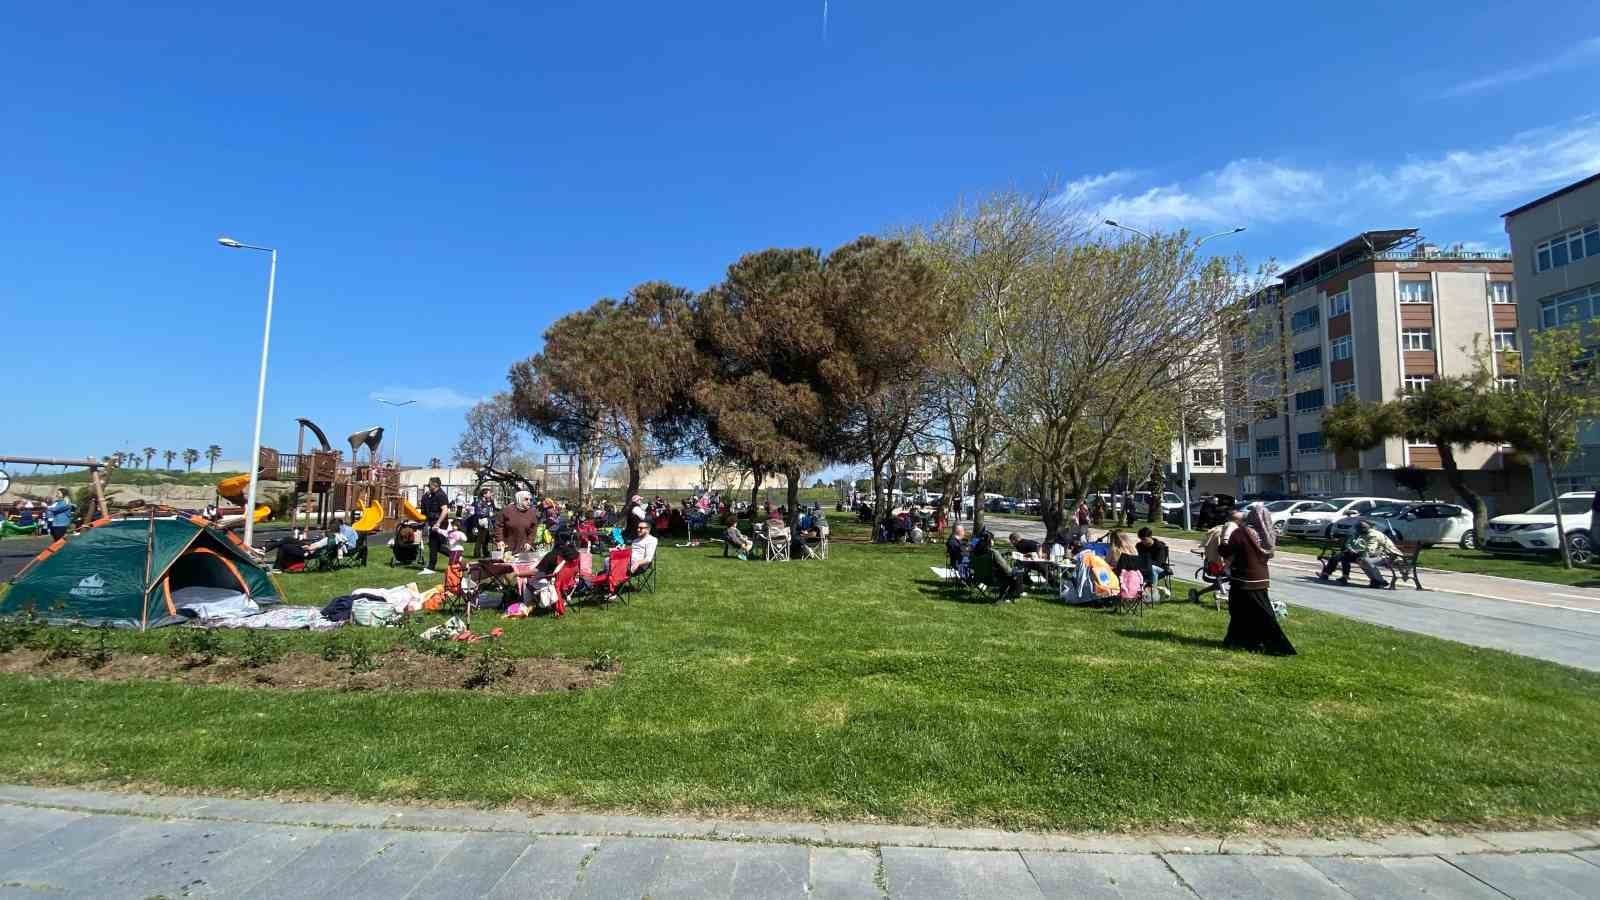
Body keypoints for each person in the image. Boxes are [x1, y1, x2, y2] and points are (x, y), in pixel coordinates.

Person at [1218, 502, 1295, 655]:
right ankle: (1239, 641)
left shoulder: (1241, 533)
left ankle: (1277, 645)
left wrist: (1222, 542)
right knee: (1253, 612)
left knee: (1243, 612)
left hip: (1243, 578)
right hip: (1261, 577)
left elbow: (1227, 551)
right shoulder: (1267, 534)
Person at [1318, 520, 1396, 588]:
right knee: (1338, 557)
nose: (1357, 531)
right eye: (1357, 529)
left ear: (1365, 528)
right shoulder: (1359, 533)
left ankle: (1378, 581)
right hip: (1358, 553)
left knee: (1363, 561)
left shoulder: (1373, 535)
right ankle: (1328, 574)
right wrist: (1350, 548)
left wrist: (1357, 551)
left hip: (1381, 555)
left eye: (1359, 529)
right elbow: (1350, 542)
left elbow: (1370, 549)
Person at [418, 477, 450, 575]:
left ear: (435, 485)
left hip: (439, 523)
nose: (428, 486)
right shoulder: (432, 495)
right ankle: (456, 556)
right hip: (433, 522)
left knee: (433, 545)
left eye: (429, 484)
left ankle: (431, 567)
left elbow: (445, 510)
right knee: (437, 546)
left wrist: (438, 523)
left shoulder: (441, 495)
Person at [495, 490, 540, 557]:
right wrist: (500, 540)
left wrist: (529, 542)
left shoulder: (532, 512)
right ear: (519, 499)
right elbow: (499, 526)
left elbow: (533, 529)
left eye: (530, 500)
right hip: (507, 547)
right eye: (526, 499)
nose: (529, 502)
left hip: (523, 548)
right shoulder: (507, 510)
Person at [470, 488, 497, 558]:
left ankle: (485, 552)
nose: (490, 494)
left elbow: (493, 509)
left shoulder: (489, 501)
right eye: (489, 493)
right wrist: (488, 513)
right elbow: (478, 512)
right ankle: (477, 553)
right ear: (484, 494)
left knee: (486, 538)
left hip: (488, 521)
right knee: (480, 538)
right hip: (482, 521)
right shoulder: (479, 502)